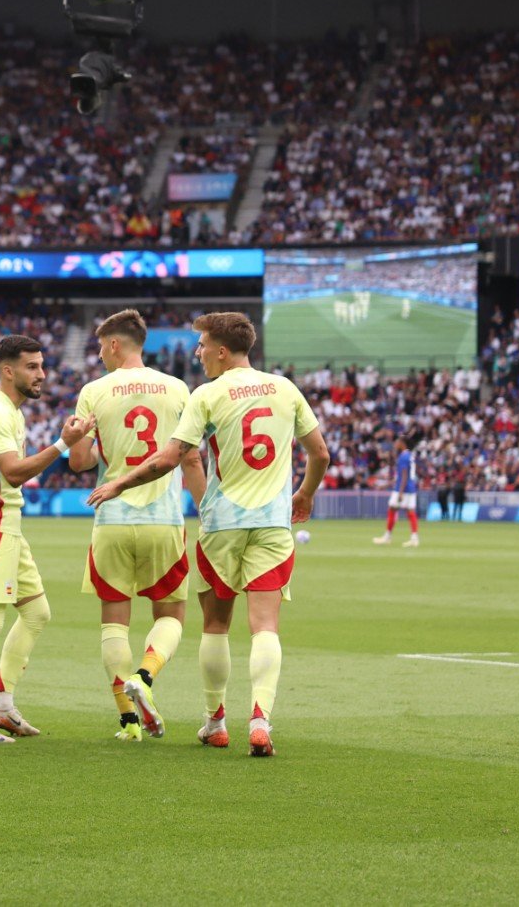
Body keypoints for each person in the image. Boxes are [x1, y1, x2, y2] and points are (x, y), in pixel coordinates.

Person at [90, 312, 328, 758]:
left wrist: (120, 482)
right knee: (265, 626)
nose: (197, 353)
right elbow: (320, 453)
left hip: (220, 525)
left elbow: (172, 459)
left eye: (201, 346)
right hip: (274, 525)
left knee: (216, 626)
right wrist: (305, 495)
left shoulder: (208, 395)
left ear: (221, 350)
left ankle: (216, 722)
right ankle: (259, 719)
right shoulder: (285, 388)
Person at [67, 310, 206, 741]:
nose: (100, 355)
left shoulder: (93, 391)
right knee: (171, 613)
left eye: (100, 347)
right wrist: (207, 512)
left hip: (111, 517)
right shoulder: (177, 388)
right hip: (163, 520)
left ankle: (128, 722)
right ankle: (145, 676)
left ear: (113, 344)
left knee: (114, 620)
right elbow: (190, 457)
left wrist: (73, 441)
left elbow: (80, 462)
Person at [0, 335, 91, 744]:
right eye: (32, 366)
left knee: (37, 613)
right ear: (8, 371)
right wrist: (63, 445)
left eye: (42, 365)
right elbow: (14, 472)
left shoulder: (11, 412)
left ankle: (1, 703)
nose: (42, 374)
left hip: (9, 525)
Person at [374, 438, 419, 547]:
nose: (395, 444)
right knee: (409, 511)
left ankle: (388, 536)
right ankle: (413, 538)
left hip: (403, 488)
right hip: (410, 487)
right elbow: (402, 475)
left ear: (402, 443)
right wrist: (386, 485)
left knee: (394, 509)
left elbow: (404, 475)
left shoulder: (403, 457)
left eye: (397, 442)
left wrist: (401, 492)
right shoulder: (409, 455)